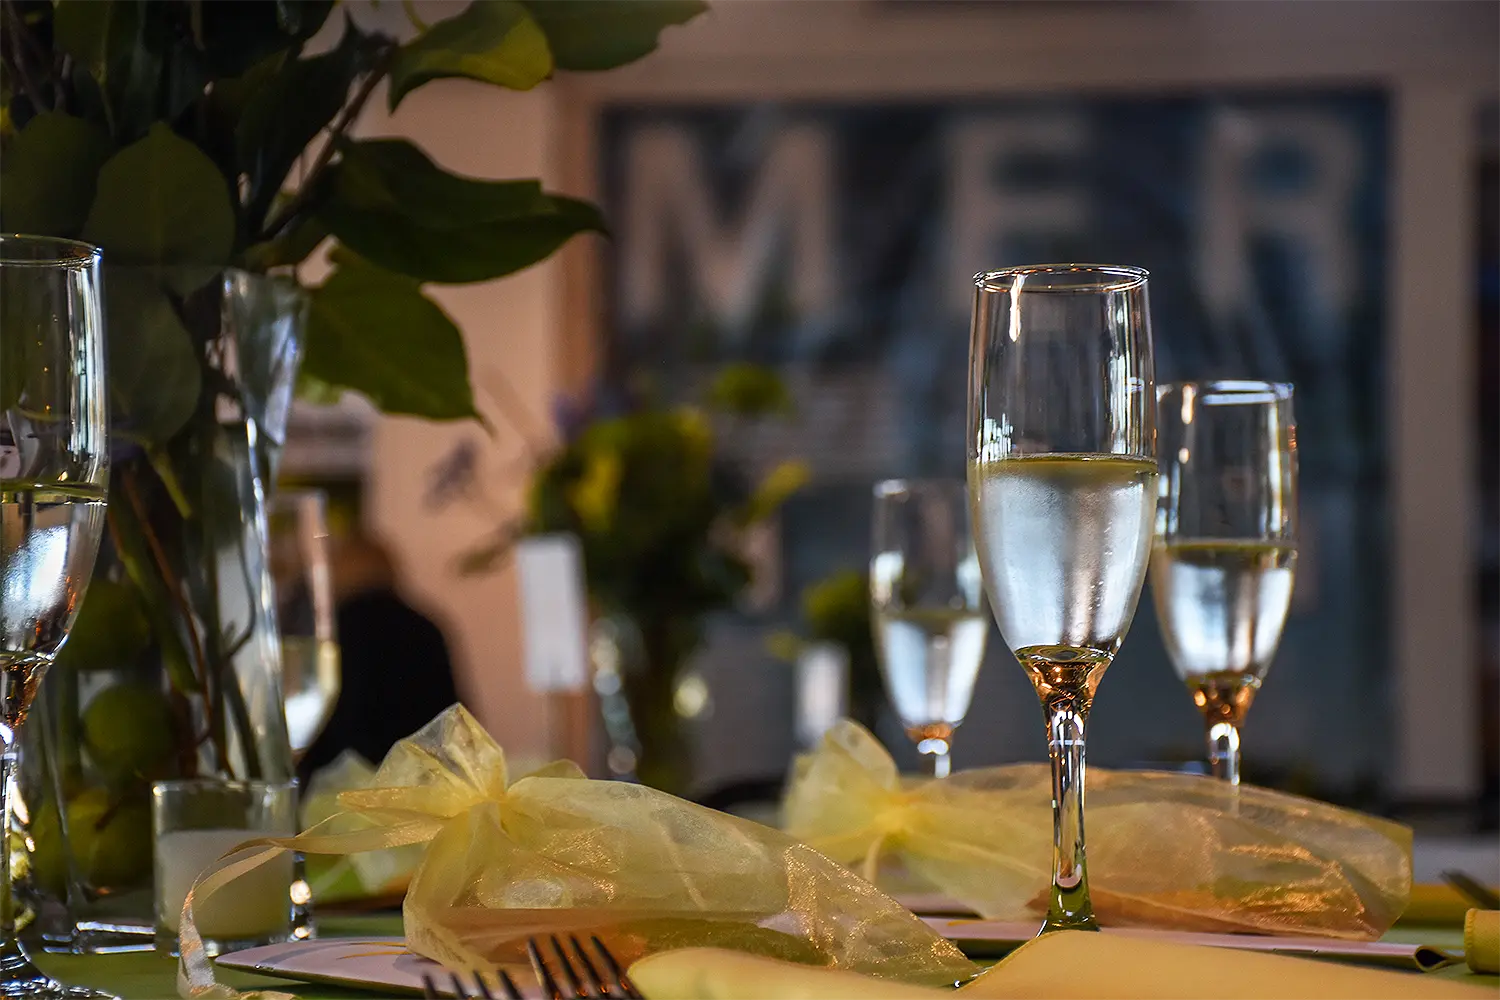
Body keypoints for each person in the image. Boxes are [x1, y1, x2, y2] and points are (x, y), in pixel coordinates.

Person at [298, 531, 464, 782]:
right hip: (426, 782)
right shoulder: (426, 625)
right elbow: (455, 719)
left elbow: (326, 723)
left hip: (347, 789)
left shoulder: (336, 630)